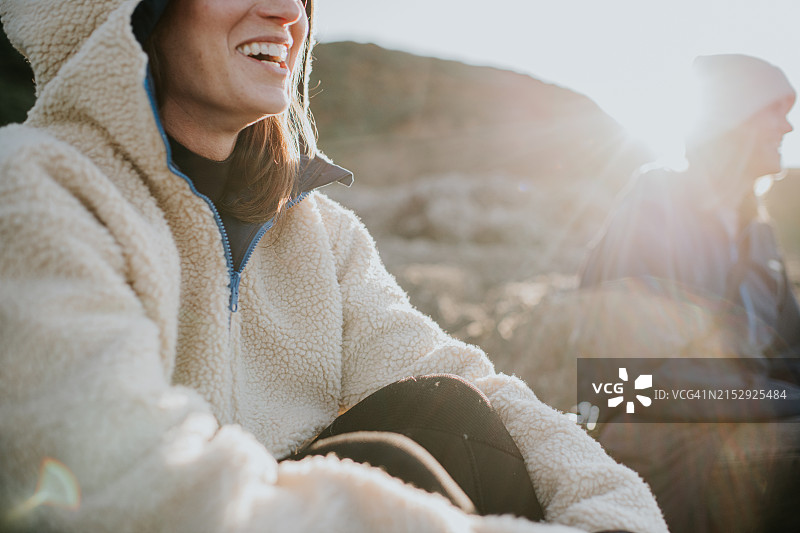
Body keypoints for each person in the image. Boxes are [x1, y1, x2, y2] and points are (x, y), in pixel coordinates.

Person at [0, 1, 667, 532]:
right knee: (395, 464)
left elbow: (466, 378)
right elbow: (125, 487)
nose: (289, 11)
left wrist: (612, 505)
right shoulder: (34, 184)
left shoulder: (321, 234)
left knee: (449, 410)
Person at [577, 54, 800, 532]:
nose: (788, 127)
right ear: (732, 117)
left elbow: (790, 355)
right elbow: (618, 381)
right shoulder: (655, 203)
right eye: (774, 110)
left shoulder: (759, 236)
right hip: (655, 438)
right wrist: (768, 396)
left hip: (745, 427)